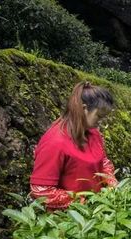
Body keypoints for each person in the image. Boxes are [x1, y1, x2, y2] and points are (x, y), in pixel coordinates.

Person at [30, 81, 117, 210]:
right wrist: (83, 203)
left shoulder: (94, 133)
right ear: (83, 109)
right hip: (67, 217)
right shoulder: (55, 142)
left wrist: (111, 184)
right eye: (99, 116)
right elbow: (41, 190)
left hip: (96, 208)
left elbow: (103, 161)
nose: (102, 122)